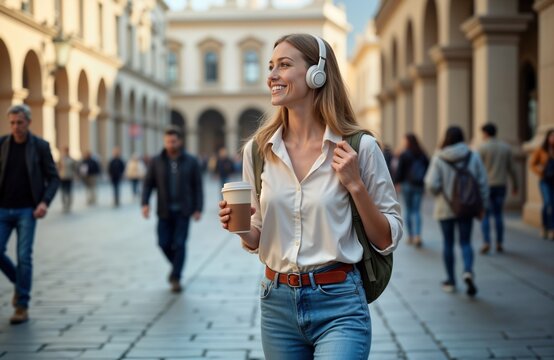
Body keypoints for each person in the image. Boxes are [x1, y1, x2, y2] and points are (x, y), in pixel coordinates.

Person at [218, 33, 402, 359]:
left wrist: (355, 185)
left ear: (317, 74)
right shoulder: (259, 150)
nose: (271, 75)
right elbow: (257, 239)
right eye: (271, 66)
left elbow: (386, 239)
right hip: (276, 305)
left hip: (340, 302)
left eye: (284, 65)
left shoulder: (360, 148)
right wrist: (241, 226)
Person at [0, 104, 59, 324]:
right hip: (3, 208)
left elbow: (53, 178)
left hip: (28, 210)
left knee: (24, 256)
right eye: (12, 123)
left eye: (20, 122)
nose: (16, 127)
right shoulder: (2, 144)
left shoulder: (41, 147)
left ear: (29, 122)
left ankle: (21, 305)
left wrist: (44, 202)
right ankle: (20, 283)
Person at [424, 126, 488, 297]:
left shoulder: (439, 157)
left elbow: (431, 184)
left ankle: (451, 280)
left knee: (448, 243)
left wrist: (439, 193)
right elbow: (482, 182)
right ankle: (467, 270)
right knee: (466, 242)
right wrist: (483, 206)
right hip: (466, 207)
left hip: (445, 207)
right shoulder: (472, 155)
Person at [141, 126, 203, 293]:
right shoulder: (156, 161)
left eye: (173, 141)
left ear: (179, 141)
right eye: (168, 141)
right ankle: (177, 266)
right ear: (164, 142)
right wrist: (145, 203)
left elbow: (197, 186)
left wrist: (198, 208)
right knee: (163, 243)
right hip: (164, 210)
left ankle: (176, 276)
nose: (170, 144)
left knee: (180, 243)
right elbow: (148, 184)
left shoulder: (191, 161)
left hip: (184, 211)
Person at [477, 123, 518, 253]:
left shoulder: (482, 148)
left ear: (485, 133)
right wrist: (516, 185)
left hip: (486, 186)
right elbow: (512, 168)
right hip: (501, 185)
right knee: (499, 214)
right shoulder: (505, 147)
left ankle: (486, 242)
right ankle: (499, 242)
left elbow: (476, 169)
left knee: (485, 215)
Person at [394, 133, 429, 247]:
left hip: (407, 185)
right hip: (419, 185)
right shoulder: (422, 153)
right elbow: (428, 168)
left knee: (408, 210)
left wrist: (397, 183)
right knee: (417, 211)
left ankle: (410, 236)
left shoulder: (404, 154)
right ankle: (418, 235)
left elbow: (400, 170)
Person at [529, 128, 554, 240]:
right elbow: (532, 164)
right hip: (545, 180)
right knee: (547, 203)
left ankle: (552, 229)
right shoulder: (541, 150)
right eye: (552, 136)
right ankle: (545, 227)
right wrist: (541, 171)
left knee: (553, 205)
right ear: (548, 138)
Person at [58, 146, 77, 213]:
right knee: (63, 192)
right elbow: (58, 168)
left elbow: (75, 168)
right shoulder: (61, 159)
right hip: (62, 177)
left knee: (68, 191)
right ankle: (64, 205)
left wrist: (75, 175)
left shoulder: (72, 159)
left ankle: (68, 205)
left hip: (69, 177)